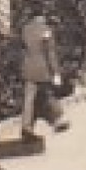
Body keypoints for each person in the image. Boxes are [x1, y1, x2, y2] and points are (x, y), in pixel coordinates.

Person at [18, 9, 69, 140]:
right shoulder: (46, 31)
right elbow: (50, 54)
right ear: (42, 17)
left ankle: (26, 126)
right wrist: (56, 73)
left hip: (28, 68)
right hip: (43, 68)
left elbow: (22, 48)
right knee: (48, 94)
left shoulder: (25, 29)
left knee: (29, 99)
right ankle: (58, 119)